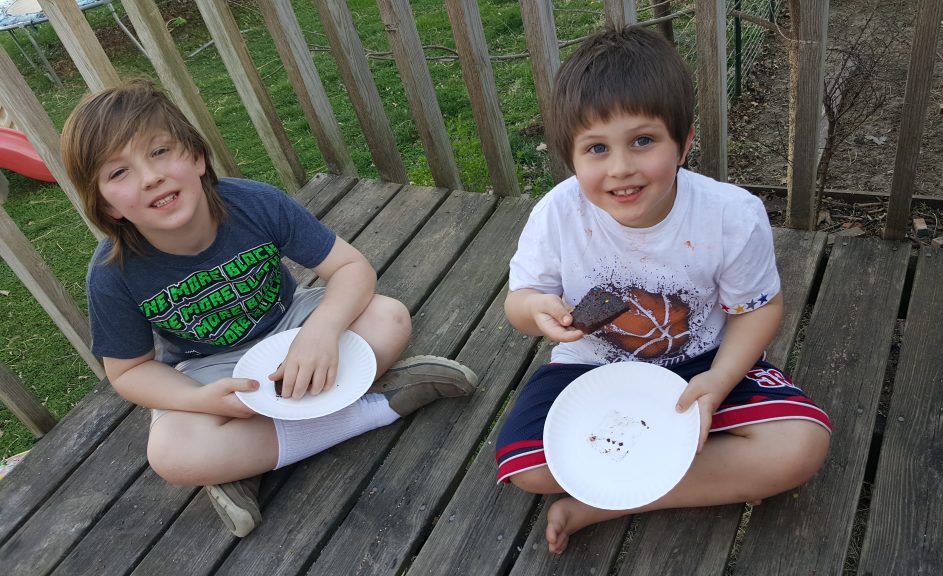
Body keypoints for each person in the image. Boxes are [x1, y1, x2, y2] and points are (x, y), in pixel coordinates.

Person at [61, 79, 478, 538]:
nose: (150, 176)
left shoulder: (255, 203)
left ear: (197, 157)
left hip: (291, 325)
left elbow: (352, 268)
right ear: (106, 206)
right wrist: (199, 400)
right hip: (209, 367)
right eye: (119, 173)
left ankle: (242, 463)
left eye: (160, 151)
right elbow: (129, 373)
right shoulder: (112, 273)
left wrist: (320, 333)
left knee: (389, 317)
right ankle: (381, 406)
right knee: (171, 454)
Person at [495, 25, 832, 555]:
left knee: (800, 447)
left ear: (685, 141)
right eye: (597, 148)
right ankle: (709, 469)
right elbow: (521, 299)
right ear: (571, 156)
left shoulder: (731, 216)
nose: (622, 168)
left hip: (703, 362)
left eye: (643, 141)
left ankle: (609, 500)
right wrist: (536, 309)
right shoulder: (557, 213)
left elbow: (760, 310)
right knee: (528, 468)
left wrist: (719, 382)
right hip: (592, 370)